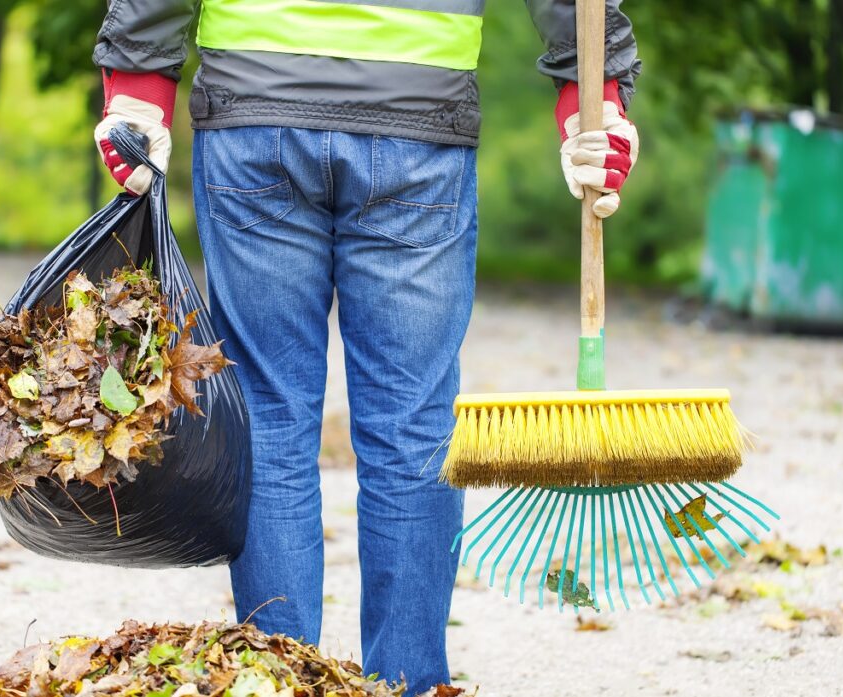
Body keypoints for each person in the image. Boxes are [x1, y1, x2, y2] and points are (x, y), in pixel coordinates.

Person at [92, 2, 640, 693]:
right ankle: (409, 684)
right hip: (417, 120)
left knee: (267, 412)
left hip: (256, 110)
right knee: (412, 425)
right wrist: (593, 97)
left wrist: (137, 84)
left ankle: (277, 680)